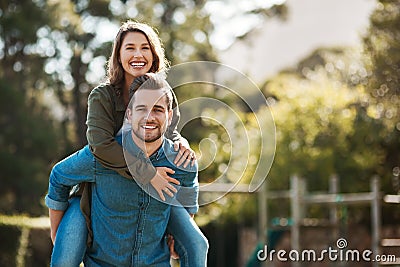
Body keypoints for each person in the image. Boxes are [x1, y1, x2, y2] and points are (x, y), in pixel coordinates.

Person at [45, 20, 208, 266]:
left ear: (154, 56)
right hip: (100, 185)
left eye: (145, 48)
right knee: (66, 253)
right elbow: (100, 147)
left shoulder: (164, 92)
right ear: (118, 56)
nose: (138, 54)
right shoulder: (103, 96)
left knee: (196, 243)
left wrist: (181, 143)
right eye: (129, 48)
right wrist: (148, 173)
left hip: (155, 188)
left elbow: (170, 131)